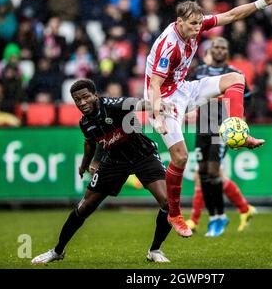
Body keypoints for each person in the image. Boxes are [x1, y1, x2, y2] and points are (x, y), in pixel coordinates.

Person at [144, 0, 272, 237]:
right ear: (179, 22)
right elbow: (154, 84)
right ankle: (174, 214)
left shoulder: (197, 25)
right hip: (164, 99)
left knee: (235, 78)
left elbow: (230, 15)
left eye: (200, 23)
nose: (198, 28)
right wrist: (156, 112)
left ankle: (237, 131)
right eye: (193, 24)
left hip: (183, 88)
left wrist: (263, 2)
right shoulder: (169, 45)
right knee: (180, 158)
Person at [31, 79, 173, 264]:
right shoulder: (85, 123)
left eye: (85, 97)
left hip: (143, 156)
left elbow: (136, 103)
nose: (81, 103)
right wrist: (85, 164)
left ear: (95, 95)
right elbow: (90, 142)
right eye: (77, 100)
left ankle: (154, 250)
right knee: (84, 207)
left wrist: (157, 105)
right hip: (113, 161)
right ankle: (57, 251)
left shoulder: (113, 105)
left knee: (167, 202)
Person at [184, 38, 256, 237]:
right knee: (203, 172)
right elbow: (186, 94)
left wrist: (241, 118)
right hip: (202, 126)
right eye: (216, 47)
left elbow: (248, 97)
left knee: (214, 171)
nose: (219, 50)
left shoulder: (234, 74)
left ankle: (220, 216)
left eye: (223, 47)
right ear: (210, 49)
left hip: (222, 128)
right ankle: (215, 217)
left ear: (227, 51)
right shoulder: (198, 72)